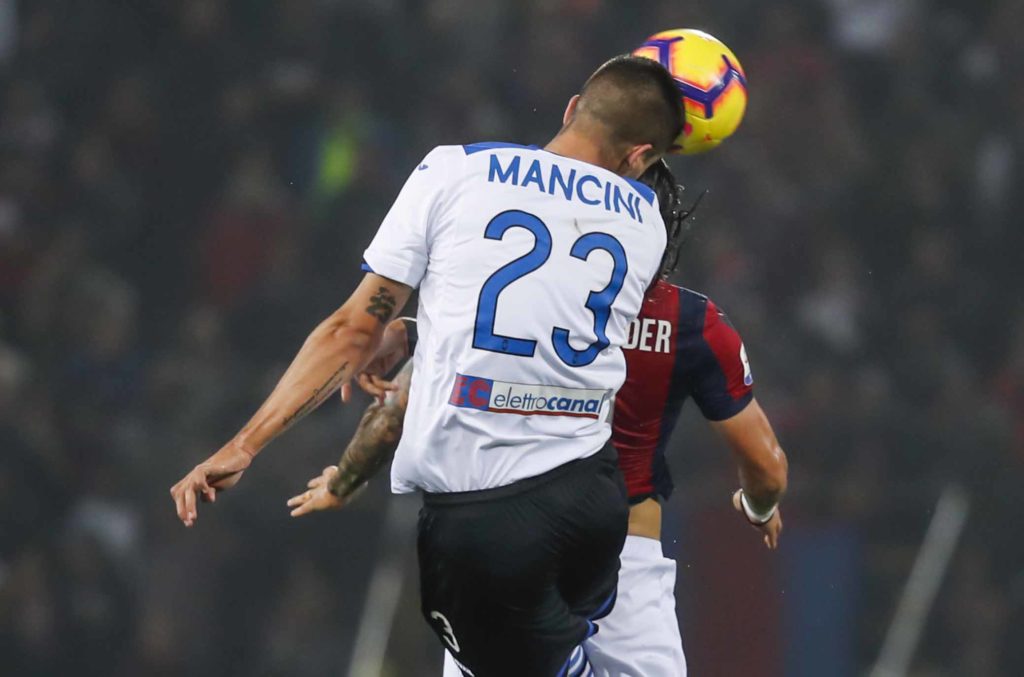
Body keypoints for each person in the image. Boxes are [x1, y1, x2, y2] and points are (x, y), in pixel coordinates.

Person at [170, 55, 684, 677]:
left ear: (572, 108)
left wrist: (245, 444)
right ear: (640, 157)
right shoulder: (645, 222)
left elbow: (352, 330)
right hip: (593, 501)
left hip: (489, 520)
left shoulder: (454, 171)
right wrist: (418, 333)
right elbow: (539, 321)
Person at [289, 161, 790, 676]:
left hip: (500, 535)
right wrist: (758, 506)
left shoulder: (513, 298)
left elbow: (401, 403)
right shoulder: (693, 323)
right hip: (622, 550)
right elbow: (767, 466)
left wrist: (347, 477)